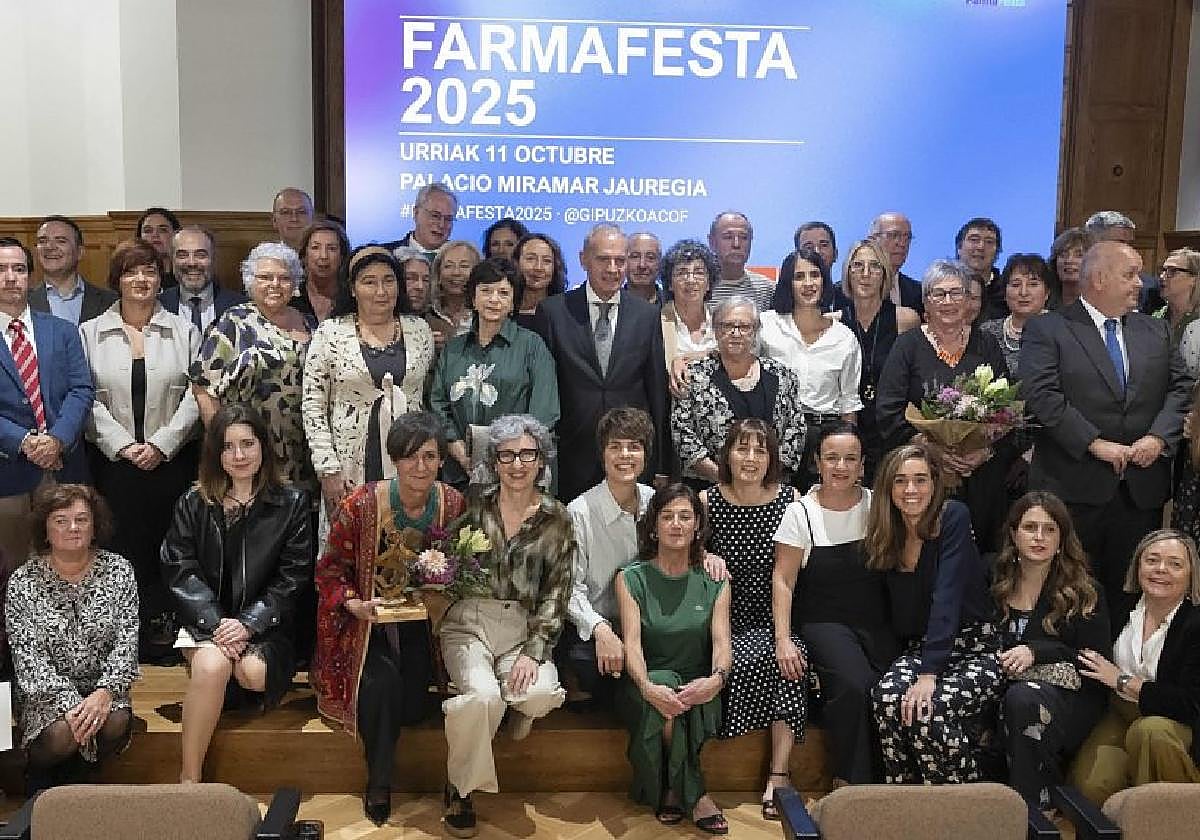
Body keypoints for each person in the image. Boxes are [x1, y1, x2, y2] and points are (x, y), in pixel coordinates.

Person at [1021, 240, 1192, 631]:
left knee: (1127, 598)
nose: (1140, 283)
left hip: (1139, 493)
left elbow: (1181, 388)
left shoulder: (1156, 330)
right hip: (1072, 489)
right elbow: (1042, 396)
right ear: (1099, 278)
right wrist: (1094, 443)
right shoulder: (1048, 329)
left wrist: (1158, 438)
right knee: (1067, 596)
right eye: (1129, 274)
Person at [313, 412, 465, 825]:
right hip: (367, 626)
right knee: (382, 686)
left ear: (441, 460)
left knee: (412, 702)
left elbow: (464, 565)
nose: (421, 466)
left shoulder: (453, 504)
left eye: (430, 456)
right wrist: (354, 604)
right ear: (394, 459)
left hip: (425, 625)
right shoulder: (360, 504)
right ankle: (379, 782)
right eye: (411, 457)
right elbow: (328, 571)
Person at [160, 405, 312, 783]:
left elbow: (292, 577)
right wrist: (217, 624)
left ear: (263, 447)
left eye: (247, 444)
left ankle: (222, 688)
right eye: (228, 447)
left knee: (253, 674)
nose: (239, 455)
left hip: (264, 625)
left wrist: (248, 624)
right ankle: (189, 779)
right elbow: (179, 568)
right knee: (213, 666)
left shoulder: (291, 502)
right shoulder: (194, 501)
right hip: (206, 622)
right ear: (216, 453)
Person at [440, 415, 573, 838]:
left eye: (527, 455)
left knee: (539, 693)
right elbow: (444, 559)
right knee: (482, 698)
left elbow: (558, 592)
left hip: (522, 627)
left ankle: (515, 708)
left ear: (542, 460)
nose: (517, 464)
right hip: (470, 623)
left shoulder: (557, 517)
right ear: (494, 461)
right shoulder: (473, 505)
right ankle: (460, 789)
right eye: (507, 455)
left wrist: (535, 651)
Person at [80, 239, 201, 655]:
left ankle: (164, 631)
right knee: (118, 546)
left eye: (149, 271)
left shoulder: (185, 331)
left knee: (170, 546)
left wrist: (162, 444)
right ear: (117, 279)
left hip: (171, 461)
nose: (141, 279)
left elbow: (196, 396)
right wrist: (124, 445)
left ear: (160, 278)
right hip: (113, 463)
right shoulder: (89, 333)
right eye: (131, 271)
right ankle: (120, 635)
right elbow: (84, 396)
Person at [868, 444, 1002, 784]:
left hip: (974, 647)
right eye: (900, 481)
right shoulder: (886, 533)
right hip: (921, 648)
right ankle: (907, 797)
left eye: (920, 480)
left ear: (934, 483)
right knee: (886, 698)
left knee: (929, 708)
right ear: (888, 488)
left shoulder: (952, 516)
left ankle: (968, 799)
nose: (910, 490)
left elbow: (947, 596)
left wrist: (929, 674)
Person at [774, 423, 897, 786]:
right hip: (823, 622)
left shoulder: (879, 505)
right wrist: (783, 639)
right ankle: (849, 780)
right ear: (817, 463)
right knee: (854, 685)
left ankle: (895, 781)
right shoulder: (800, 513)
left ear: (862, 465)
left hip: (876, 621)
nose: (840, 466)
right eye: (832, 458)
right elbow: (783, 580)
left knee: (890, 685)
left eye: (850, 459)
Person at [5, 483, 138, 792]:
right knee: (61, 733)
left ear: (95, 525)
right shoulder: (23, 581)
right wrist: (72, 704)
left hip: (102, 689)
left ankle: (74, 783)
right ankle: (43, 778)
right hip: (46, 695)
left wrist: (105, 692)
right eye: (61, 521)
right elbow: (28, 659)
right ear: (45, 529)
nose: (73, 528)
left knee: (115, 722)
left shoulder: (119, 571)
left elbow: (127, 641)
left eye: (81, 519)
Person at [703, 420, 805, 820]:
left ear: (772, 458)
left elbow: (789, 574)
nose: (750, 458)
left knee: (791, 662)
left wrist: (783, 637)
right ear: (727, 455)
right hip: (722, 618)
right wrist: (704, 556)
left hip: (776, 617)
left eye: (760, 450)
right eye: (741, 449)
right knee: (737, 660)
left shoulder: (790, 500)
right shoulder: (708, 501)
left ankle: (779, 774)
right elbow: (687, 552)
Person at [616, 483, 731, 835]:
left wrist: (716, 680)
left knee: (680, 698)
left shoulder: (716, 579)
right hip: (645, 682)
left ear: (698, 525)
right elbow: (632, 645)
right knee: (665, 695)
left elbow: (722, 642)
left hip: (699, 684)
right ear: (654, 526)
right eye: (667, 517)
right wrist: (647, 687)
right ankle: (695, 794)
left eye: (685, 516)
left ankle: (669, 788)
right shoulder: (631, 578)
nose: (676, 524)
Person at [875, 259, 1013, 552]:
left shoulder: (987, 344)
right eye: (939, 294)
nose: (948, 301)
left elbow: (1008, 411)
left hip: (980, 478)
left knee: (979, 559)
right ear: (926, 302)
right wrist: (930, 448)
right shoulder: (908, 345)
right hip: (922, 478)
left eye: (956, 293)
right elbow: (888, 411)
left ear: (968, 300)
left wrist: (984, 450)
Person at [303, 246, 435, 544]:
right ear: (352, 288)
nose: (381, 291)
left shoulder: (419, 330)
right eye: (369, 282)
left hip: (408, 458)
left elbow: (425, 399)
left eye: (388, 280)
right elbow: (313, 406)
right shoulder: (330, 333)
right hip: (349, 462)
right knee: (350, 545)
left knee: (408, 545)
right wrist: (328, 469)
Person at [990, 492, 1110, 806]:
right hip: (998, 685)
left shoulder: (1085, 591)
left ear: (1061, 539)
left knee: (1022, 699)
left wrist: (1037, 651)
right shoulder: (991, 579)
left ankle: (1034, 812)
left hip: (1068, 698)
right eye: (1030, 527)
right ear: (1014, 534)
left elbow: (1094, 661)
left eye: (1050, 529)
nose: (1039, 537)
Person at [541, 224, 669, 502]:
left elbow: (656, 390)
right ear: (583, 259)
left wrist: (661, 461)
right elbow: (546, 388)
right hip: (573, 453)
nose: (613, 269)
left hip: (630, 454)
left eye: (620, 260)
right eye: (603, 259)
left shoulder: (647, 315)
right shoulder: (554, 312)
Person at [1070, 529, 1200, 802]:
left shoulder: (1195, 624)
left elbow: (1191, 703)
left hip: (1177, 722)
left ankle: (1175, 814)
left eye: (1175, 564)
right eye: (1152, 560)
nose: (1160, 569)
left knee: (1150, 732)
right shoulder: (1118, 605)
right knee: (1089, 790)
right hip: (1120, 711)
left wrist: (1123, 681)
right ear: (1137, 565)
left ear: (1191, 575)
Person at [189, 241, 315, 495]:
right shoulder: (233, 322)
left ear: (295, 284)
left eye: (284, 278)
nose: (275, 284)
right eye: (265, 277)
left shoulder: (310, 323)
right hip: (248, 451)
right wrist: (224, 442)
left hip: (305, 450)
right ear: (250, 281)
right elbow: (202, 386)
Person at [0, 236, 94, 565]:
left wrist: (56, 440)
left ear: (30, 275)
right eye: (1, 269)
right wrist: (24, 442)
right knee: (11, 568)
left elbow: (81, 390)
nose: (10, 277)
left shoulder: (62, 330)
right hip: (6, 471)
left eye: (18, 269)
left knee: (70, 561)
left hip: (63, 466)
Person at [429, 258, 559, 489]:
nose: (494, 299)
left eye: (503, 293)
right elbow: (438, 404)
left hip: (517, 470)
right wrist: (459, 451)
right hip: (459, 470)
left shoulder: (532, 346)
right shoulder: (454, 349)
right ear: (473, 298)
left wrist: (506, 457)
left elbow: (543, 412)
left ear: (513, 303)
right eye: (486, 291)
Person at [561, 408, 657, 706]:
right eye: (615, 446)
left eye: (634, 447)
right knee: (587, 666)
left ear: (645, 455)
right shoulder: (579, 512)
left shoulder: (656, 502)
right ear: (602, 455)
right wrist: (601, 630)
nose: (624, 455)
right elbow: (569, 588)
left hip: (648, 624)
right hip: (600, 625)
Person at [672, 296, 806, 484]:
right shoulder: (692, 376)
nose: (736, 333)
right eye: (727, 326)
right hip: (711, 486)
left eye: (744, 326)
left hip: (770, 486)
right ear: (715, 330)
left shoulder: (783, 376)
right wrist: (726, 480)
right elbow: (683, 434)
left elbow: (796, 429)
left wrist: (764, 480)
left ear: (756, 331)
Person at [759, 245, 862, 489]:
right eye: (799, 276)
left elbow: (848, 403)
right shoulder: (766, 325)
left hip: (825, 436)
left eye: (815, 275)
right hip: (776, 433)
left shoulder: (843, 337)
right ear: (787, 283)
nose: (808, 284)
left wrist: (850, 452)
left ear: (825, 281)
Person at [836, 238, 921, 481]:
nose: (865, 274)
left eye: (874, 266)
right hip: (847, 429)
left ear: (885, 274)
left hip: (892, 431)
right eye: (858, 266)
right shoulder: (833, 322)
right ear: (847, 273)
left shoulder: (906, 320)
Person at [29, 215, 116, 325]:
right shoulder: (23, 302)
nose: (50, 247)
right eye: (42, 241)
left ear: (79, 252)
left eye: (61, 241)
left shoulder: (111, 302)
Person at [659, 239, 719, 394]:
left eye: (698, 272)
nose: (691, 280)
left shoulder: (722, 320)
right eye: (681, 273)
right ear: (669, 284)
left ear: (709, 283)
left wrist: (705, 355)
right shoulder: (654, 323)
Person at [160, 225, 246, 332]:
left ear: (213, 259)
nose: (192, 263)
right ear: (172, 260)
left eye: (200, 255)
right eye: (182, 255)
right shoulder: (158, 305)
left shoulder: (241, 306)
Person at [979, 254, 1052, 378]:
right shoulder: (987, 332)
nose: (1023, 292)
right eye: (1016, 285)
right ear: (1004, 292)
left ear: (1047, 292)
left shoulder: (1064, 330)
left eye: (1033, 284)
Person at [1084, 210, 1163, 313]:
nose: (1127, 249)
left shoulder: (1149, 289)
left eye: (1129, 244)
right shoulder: (1074, 281)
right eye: (1119, 243)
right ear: (1093, 243)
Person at [707, 211, 774, 311]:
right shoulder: (699, 288)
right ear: (712, 242)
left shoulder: (766, 289)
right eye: (728, 237)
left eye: (744, 237)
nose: (736, 244)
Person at [293, 219, 350, 327]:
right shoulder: (291, 297)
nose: (323, 256)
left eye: (332, 249)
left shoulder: (352, 297)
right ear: (304, 255)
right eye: (315, 248)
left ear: (342, 256)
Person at [513, 232, 567, 341]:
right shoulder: (503, 311)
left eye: (547, 261)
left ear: (555, 267)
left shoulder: (567, 314)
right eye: (530, 259)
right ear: (516, 263)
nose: (538, 267)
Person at [869, 211, 923, 313]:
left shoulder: (919, 292)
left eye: (907, 237)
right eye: (894, 235)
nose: (902, 244)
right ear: (872, 240)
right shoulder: (844, 292)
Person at [386, 183, 457, 259]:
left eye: (448, 219)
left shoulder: (461, 257)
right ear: (416, 213)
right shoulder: (386, 255)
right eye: (435, 216)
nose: (441, 225)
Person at [955, 217, 1005, 321]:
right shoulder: (939, 287)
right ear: (959, 247)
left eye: (989, 242)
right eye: (974, 240)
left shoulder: (1007, 291)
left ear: (997, 252)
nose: (981, 247)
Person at [430, 240, 481, 340]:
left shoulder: (486, 313)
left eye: (464, 266)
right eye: (448, 266)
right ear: (438, 274)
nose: (456, 272)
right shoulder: (426, 315)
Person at [1154, 247, 1200, 348]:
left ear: (1193, 279)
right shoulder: (1157, 316)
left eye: (1172, 271)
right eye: (1163, 270)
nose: (1162, 277)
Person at [136, 207, 181, 289]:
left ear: (175, 235)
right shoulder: (130, 277)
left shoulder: (184, 276)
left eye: (162, 230)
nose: (155, 235)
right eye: (148, 231)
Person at [1048, 227, 1087, 309]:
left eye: (1079, 255)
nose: (1069, 260)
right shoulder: (1043, 304)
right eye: (1063, 255)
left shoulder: (1102, 307)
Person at [270, 187, 315, 253]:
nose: (294, 218)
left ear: (313, 218)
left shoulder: (326, 255)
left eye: (301, 212)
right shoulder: (264, 255)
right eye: (286, 212)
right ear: (274, 220)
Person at [626, 232, 663, 305]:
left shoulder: (675, 304)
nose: (642, 265)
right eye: (635, 257)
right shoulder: (610, 302)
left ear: (659, 263)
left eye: (650, 257)